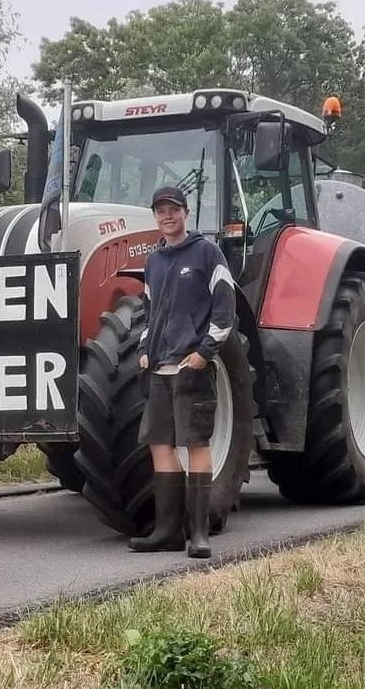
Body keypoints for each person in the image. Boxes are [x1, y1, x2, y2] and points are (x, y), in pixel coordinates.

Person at [129, 185, 237, 559]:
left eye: (173, 209)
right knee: (160, 444)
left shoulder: (207, 253)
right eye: (161, 210)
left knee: (195, 443)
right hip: (159, 368)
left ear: (186, 213)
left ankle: (199, 534)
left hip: (192, 367)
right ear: (155, 216)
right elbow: (149, 313)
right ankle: (167, 532)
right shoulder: (153, 261)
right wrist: (144, 350)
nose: (167, 216)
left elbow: (225, 309)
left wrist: (204, 353)